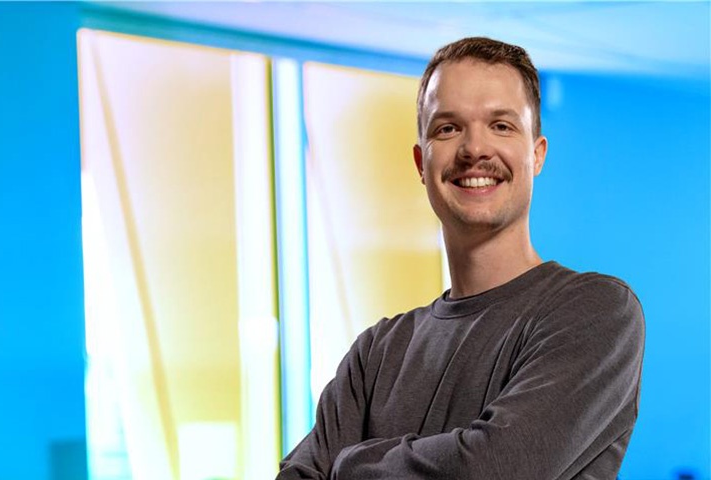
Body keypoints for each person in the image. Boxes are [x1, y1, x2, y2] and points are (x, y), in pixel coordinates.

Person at [276, 37, 645, 480]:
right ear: (421, 162)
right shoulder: (376, 353)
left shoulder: (594, 312)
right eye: (448, 128)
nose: (475, 149)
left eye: (501, 126)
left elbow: (489, 469)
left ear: (537, 155)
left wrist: (346, 465)